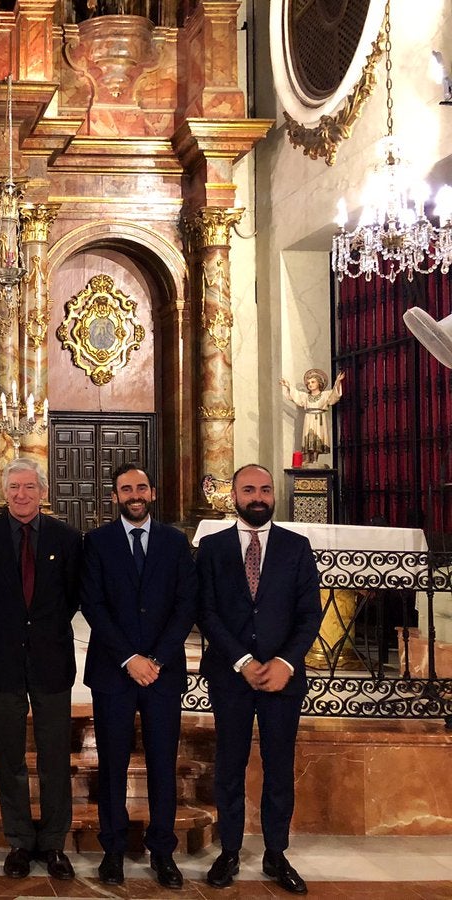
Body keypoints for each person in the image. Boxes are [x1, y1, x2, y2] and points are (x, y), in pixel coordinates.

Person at [197, 464, 321, 894]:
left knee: (278, 767)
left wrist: (285, 662)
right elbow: (206, 611)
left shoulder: (296, 547)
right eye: (248, 489)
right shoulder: (211, 547)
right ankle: (229, 850)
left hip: (282, 679)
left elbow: (309, 614)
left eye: (265, 489)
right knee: (229, 765)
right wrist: (243, 660)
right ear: (233, 495)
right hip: (232, 675)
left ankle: (275, 854)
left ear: (274, 495)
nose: (258, 496)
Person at [79, 463, 197, 888]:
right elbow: (92, 604)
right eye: (126, 488)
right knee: (111, 763)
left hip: (162, 673)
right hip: (114, 670)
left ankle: (162, 851)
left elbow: (186, 604)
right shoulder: (96, 542)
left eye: (141, 487)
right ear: (114, 496)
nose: (134, 494)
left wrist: (158, 659)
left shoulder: (175, 541)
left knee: (163, 763)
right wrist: (130, 657)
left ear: (152, 493)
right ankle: (112, 849)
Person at [0, 457, 81, 881]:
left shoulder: (68, 538)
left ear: (43, 492)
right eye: (14, 487)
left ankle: (52, 843)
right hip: (2, 659)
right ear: (4, 490)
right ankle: (18, 840)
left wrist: (39, 630)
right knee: (9, 755)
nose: (21, 494)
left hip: (51, 660)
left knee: (53, 757)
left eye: (30, 487)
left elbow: (71, 598)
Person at [280, 368, 345, 464]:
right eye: (308, 383)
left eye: (313, 382)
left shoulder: (325, 395)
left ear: (319, 383)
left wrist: (338, 381)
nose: (310, 384)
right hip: (309, 418)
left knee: (318, 437)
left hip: (319, 419)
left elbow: (335, 394)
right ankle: (307, 458)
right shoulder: (306, 396)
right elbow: (296, 395)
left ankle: (315, 459)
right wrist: (288, 385)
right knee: (308, 437)